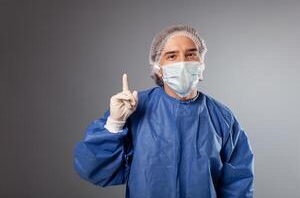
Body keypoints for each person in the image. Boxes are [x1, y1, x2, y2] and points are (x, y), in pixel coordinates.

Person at [73, 25, 254, 198]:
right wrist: (115, 123)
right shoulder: (134, 109)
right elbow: (93, 170)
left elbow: (238, 182)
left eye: (191, 54)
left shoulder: (222, 118)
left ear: (201, 63)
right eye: (172, 56)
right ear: (157, 68)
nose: (182, 63)